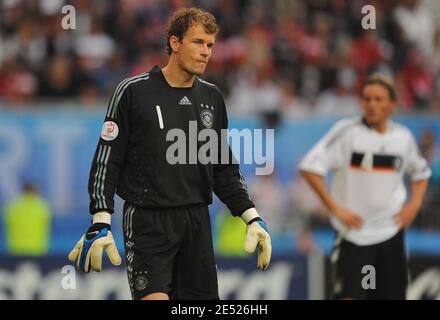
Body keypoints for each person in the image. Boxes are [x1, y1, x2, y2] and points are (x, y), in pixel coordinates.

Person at [68, 7, 272, 300]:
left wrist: (252, 217)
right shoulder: (132, 92)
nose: (206, 52)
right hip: (148, 222)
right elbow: (107, 158)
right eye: (198, 42)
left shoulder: (212, 97)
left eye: (210, 45)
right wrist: (101, 218)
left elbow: (223, 167)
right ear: (174, 43)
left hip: (197, 223)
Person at [299, 74, 431, 300]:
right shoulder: (348, 133)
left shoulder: (403, 138)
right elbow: (310, 167)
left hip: (390, 234)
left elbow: (421, 173)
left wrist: (414, 204)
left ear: (392, 104)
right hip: (354, 236)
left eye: (379, 99)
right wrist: (334, 208)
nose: (372, 104)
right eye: (367, 99)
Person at [3, 183, 52, 256]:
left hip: (15, 248)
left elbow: (7, 224)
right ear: (35, 191)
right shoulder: (43, 206)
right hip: (37, 248)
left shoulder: (12, 206)